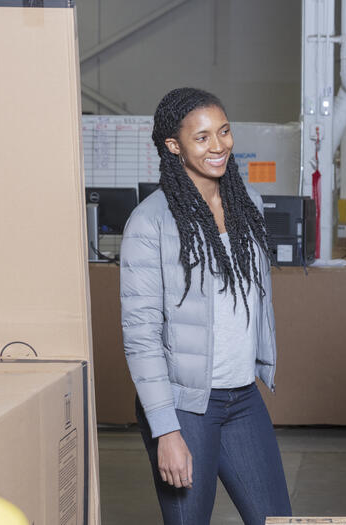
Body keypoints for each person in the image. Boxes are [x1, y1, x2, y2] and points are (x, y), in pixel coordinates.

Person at [121, 87, 292, 525]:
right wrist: (166, 430)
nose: (218, 146)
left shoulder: (247, 205)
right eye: (202, 137)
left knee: (277, 519)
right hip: (184, 405)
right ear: (173, 146)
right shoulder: (150, 222)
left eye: (224, 131)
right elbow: (141, 336)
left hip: (243, 396)